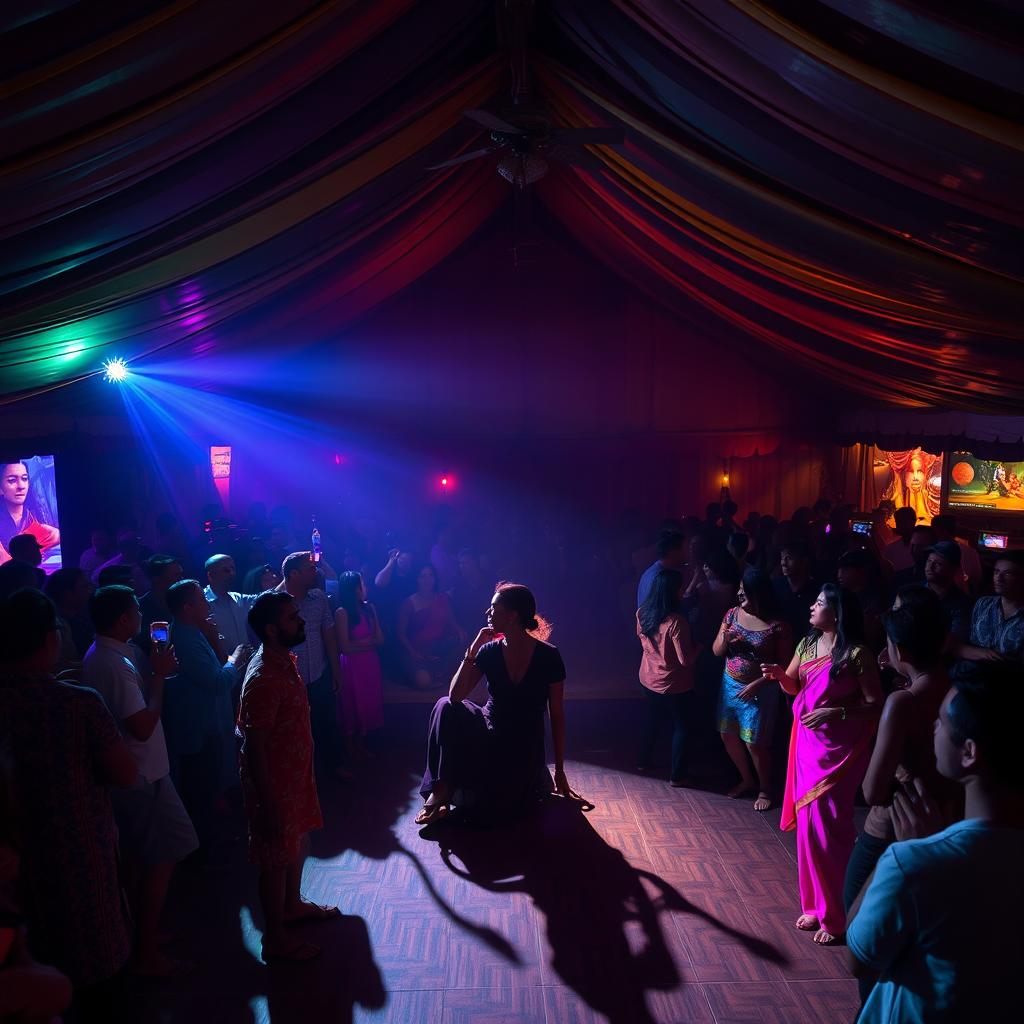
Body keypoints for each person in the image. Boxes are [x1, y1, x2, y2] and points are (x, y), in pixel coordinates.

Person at [847, 666, 1024, 1021]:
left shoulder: (915, 861)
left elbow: (859, 957)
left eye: (942, 721)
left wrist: (901, 854)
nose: (934, 728)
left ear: (969, 751)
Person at [0, 588, 137, 997]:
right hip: (77, 854)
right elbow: (126, 773)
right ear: (50, 639)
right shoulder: (76, 703)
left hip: (12, 861)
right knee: (97, 973)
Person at [82, 585, 198, 977]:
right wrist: (161, 678)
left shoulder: (114, 654)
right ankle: (147, 950)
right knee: (163, 856)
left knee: (142, 859)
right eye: (136, 611)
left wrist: (155, 667)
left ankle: (137, 934)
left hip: (142, 773)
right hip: (142, 775)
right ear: (122, 620)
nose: (142, 617)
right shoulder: (111, 664)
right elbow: (143, 725)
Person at [761, 584, 883, 945]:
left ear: (837, 613)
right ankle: (814, 905)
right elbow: (795, 688)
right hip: (807, 744)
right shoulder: (807, 644)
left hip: (840, 752)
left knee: (830, 830)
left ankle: (839, 914)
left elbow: (876, 703)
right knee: (808, 831)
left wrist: (838, 710)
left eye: (819, 603)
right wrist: (780, 677)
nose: (812, 608)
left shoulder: (857, 654)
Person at [417, 583, 578, 825]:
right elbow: (456, 695)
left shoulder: (548, 655)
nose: (487, 614)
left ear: (512, 616)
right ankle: (441, 788)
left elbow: (556, 715)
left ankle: (461, 788)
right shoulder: (489, 651)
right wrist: (472, 650)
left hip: (522, 738)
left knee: (501, 803)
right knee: (445, 705)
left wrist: (560, 771)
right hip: (489, 726)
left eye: (493, 608)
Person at [237, 592, 334, 964]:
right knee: (274, 859)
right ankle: (275, 939)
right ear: (272, 630)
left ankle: (292, 905)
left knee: (297, 843)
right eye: (293, 618)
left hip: (294, 776)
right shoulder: (262, 678)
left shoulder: (283, 661)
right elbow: (254, 747)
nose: (302, 621)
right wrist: (268, 802)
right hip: (274, 785)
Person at [163, 580, 249, 859]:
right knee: (201, 790)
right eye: (201, 599)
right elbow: (216, 682)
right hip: (198, 730)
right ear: (188, 607)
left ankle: (208, 845)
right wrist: (235, 660)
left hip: (205, 726)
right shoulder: (186, 640)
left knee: (206, 788)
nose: (207, 603)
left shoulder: (193, 630)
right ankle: (204, 853)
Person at [713, 567, 792, 811]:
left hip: (760, 690)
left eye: (744, 591)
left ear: (759, 594)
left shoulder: (778, 626)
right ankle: (747, 780)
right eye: (738, 588)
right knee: (728, 734)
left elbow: (785, 666)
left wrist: (757, 683)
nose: (738, 594)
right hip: (729, 684)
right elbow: (716, 651)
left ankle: (765, 788)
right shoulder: (731, 615)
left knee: (754, 743)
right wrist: (725, 640)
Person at [276, 552, 349, 781]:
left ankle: (334, 767)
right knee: (294, 730)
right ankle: (303, 775)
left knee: (327, 723)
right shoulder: (274, 603)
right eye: (309, 568)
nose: (315, 572)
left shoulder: (318, 598)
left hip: (318, 674)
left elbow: (329, 635)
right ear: (294, 575)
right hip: (288, 680)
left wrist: (336, 671)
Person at [636, 569, 700, 786]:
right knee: (682, 726)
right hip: (674, 684)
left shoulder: (642, 612)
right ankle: (677, 775)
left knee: (652, 718)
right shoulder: (676, 622)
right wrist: (701, 647)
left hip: (648, 678)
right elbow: (685, 660)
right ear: (673, 592)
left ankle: (643, 761)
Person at [334, 571, 384, 753]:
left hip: (370, 663)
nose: (366, 587)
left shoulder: (369, 608)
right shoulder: (342, 612)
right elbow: (345, 647)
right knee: (352, 703)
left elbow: (380, 640)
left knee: (368, 701)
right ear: (354, 588)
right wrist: (368, 644)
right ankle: (350, 744)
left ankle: (362, 741)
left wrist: (363, 643)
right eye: (362, 584)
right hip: (352, 666)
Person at [952, 551, 1024, 671]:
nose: (999, 578)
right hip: (972, 675)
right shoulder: (983, 604)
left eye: (1007, 574)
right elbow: (956, 645)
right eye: (996, 572)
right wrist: (979, 653)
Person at [397, 564, 465, 691]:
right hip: (415, 650)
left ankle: (440, 671)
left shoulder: (442, 598)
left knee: (461, 642)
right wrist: (414, 653)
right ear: (416, 579)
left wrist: (459, 632)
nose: (427, 580)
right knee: (424, 682)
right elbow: (401, 633)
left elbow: (452, 621)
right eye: (423, 576)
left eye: (430, 575)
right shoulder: (409, 603)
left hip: (438, 647)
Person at [0, 462, 60, 567]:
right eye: (12, 480)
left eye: (24, 479)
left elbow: (55, 536)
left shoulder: (35, 524)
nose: (21, 486)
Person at [204, 554, 261, 653]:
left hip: (247, 664)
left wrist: (287, 579)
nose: (232, 573)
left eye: (232, 568)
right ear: (210, 575)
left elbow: (266, 598)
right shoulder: (202, 602)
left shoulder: (239, 598)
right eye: (225, 570)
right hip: (221, 666)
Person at [922, 541, 973, 648]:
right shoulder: (912, 593)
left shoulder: (962, 603)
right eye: (929, 561)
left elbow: (955, 641)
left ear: (953, 569)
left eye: (938, 564)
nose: (930, 567)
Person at [773, 540, 819, 641]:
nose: (783, 563)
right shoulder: (776, 585)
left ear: (804, 561)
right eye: (782, 558)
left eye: (788, 558)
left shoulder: (816, 591)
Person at [43, 567, 94, 658]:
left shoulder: (84, 616)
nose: (90, 591)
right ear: (67, 594)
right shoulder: (56, 627)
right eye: (85, 587)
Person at [138, 555, 183, 650]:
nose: (181, 580)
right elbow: (159, 648)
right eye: (176, 576)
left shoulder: (183, 602)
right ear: (156, 578)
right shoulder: (141, 610)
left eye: (181, 575)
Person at [930, 513, 981, 597]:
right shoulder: (970, 552)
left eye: (933, 530)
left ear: (941, 531)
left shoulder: (931, 552)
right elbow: (977, 580)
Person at [636, 531, 686, 610]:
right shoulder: (661, 577)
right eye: (684, 549)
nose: (687, 553)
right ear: (672, 551)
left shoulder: (652, 572)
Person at [451, 548, 495, 636]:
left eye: (465, 563)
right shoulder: (459, 586)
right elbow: (456, 612)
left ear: (475, 563)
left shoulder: (489, 581)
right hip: (468, 629)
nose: (462, 566)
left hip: (489, 626)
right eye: (460, 563)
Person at [92, 530, 148, 594]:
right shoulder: (112, 566)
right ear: (122, 547)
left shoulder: (143, 562)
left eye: (136, 543)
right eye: (131, 544)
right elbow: (95, 578)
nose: (136, 547)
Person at [888, 524, 935, 591]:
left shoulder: (940, 580)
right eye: (912, 545)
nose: (913, 551)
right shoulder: (899, 578)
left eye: (920, 546)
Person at [882, 507, 917, 574]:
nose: (899, 525)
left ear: (913, 521)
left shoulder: (891, 548)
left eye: (902, 522)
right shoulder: (891, 548)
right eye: (897, 522)